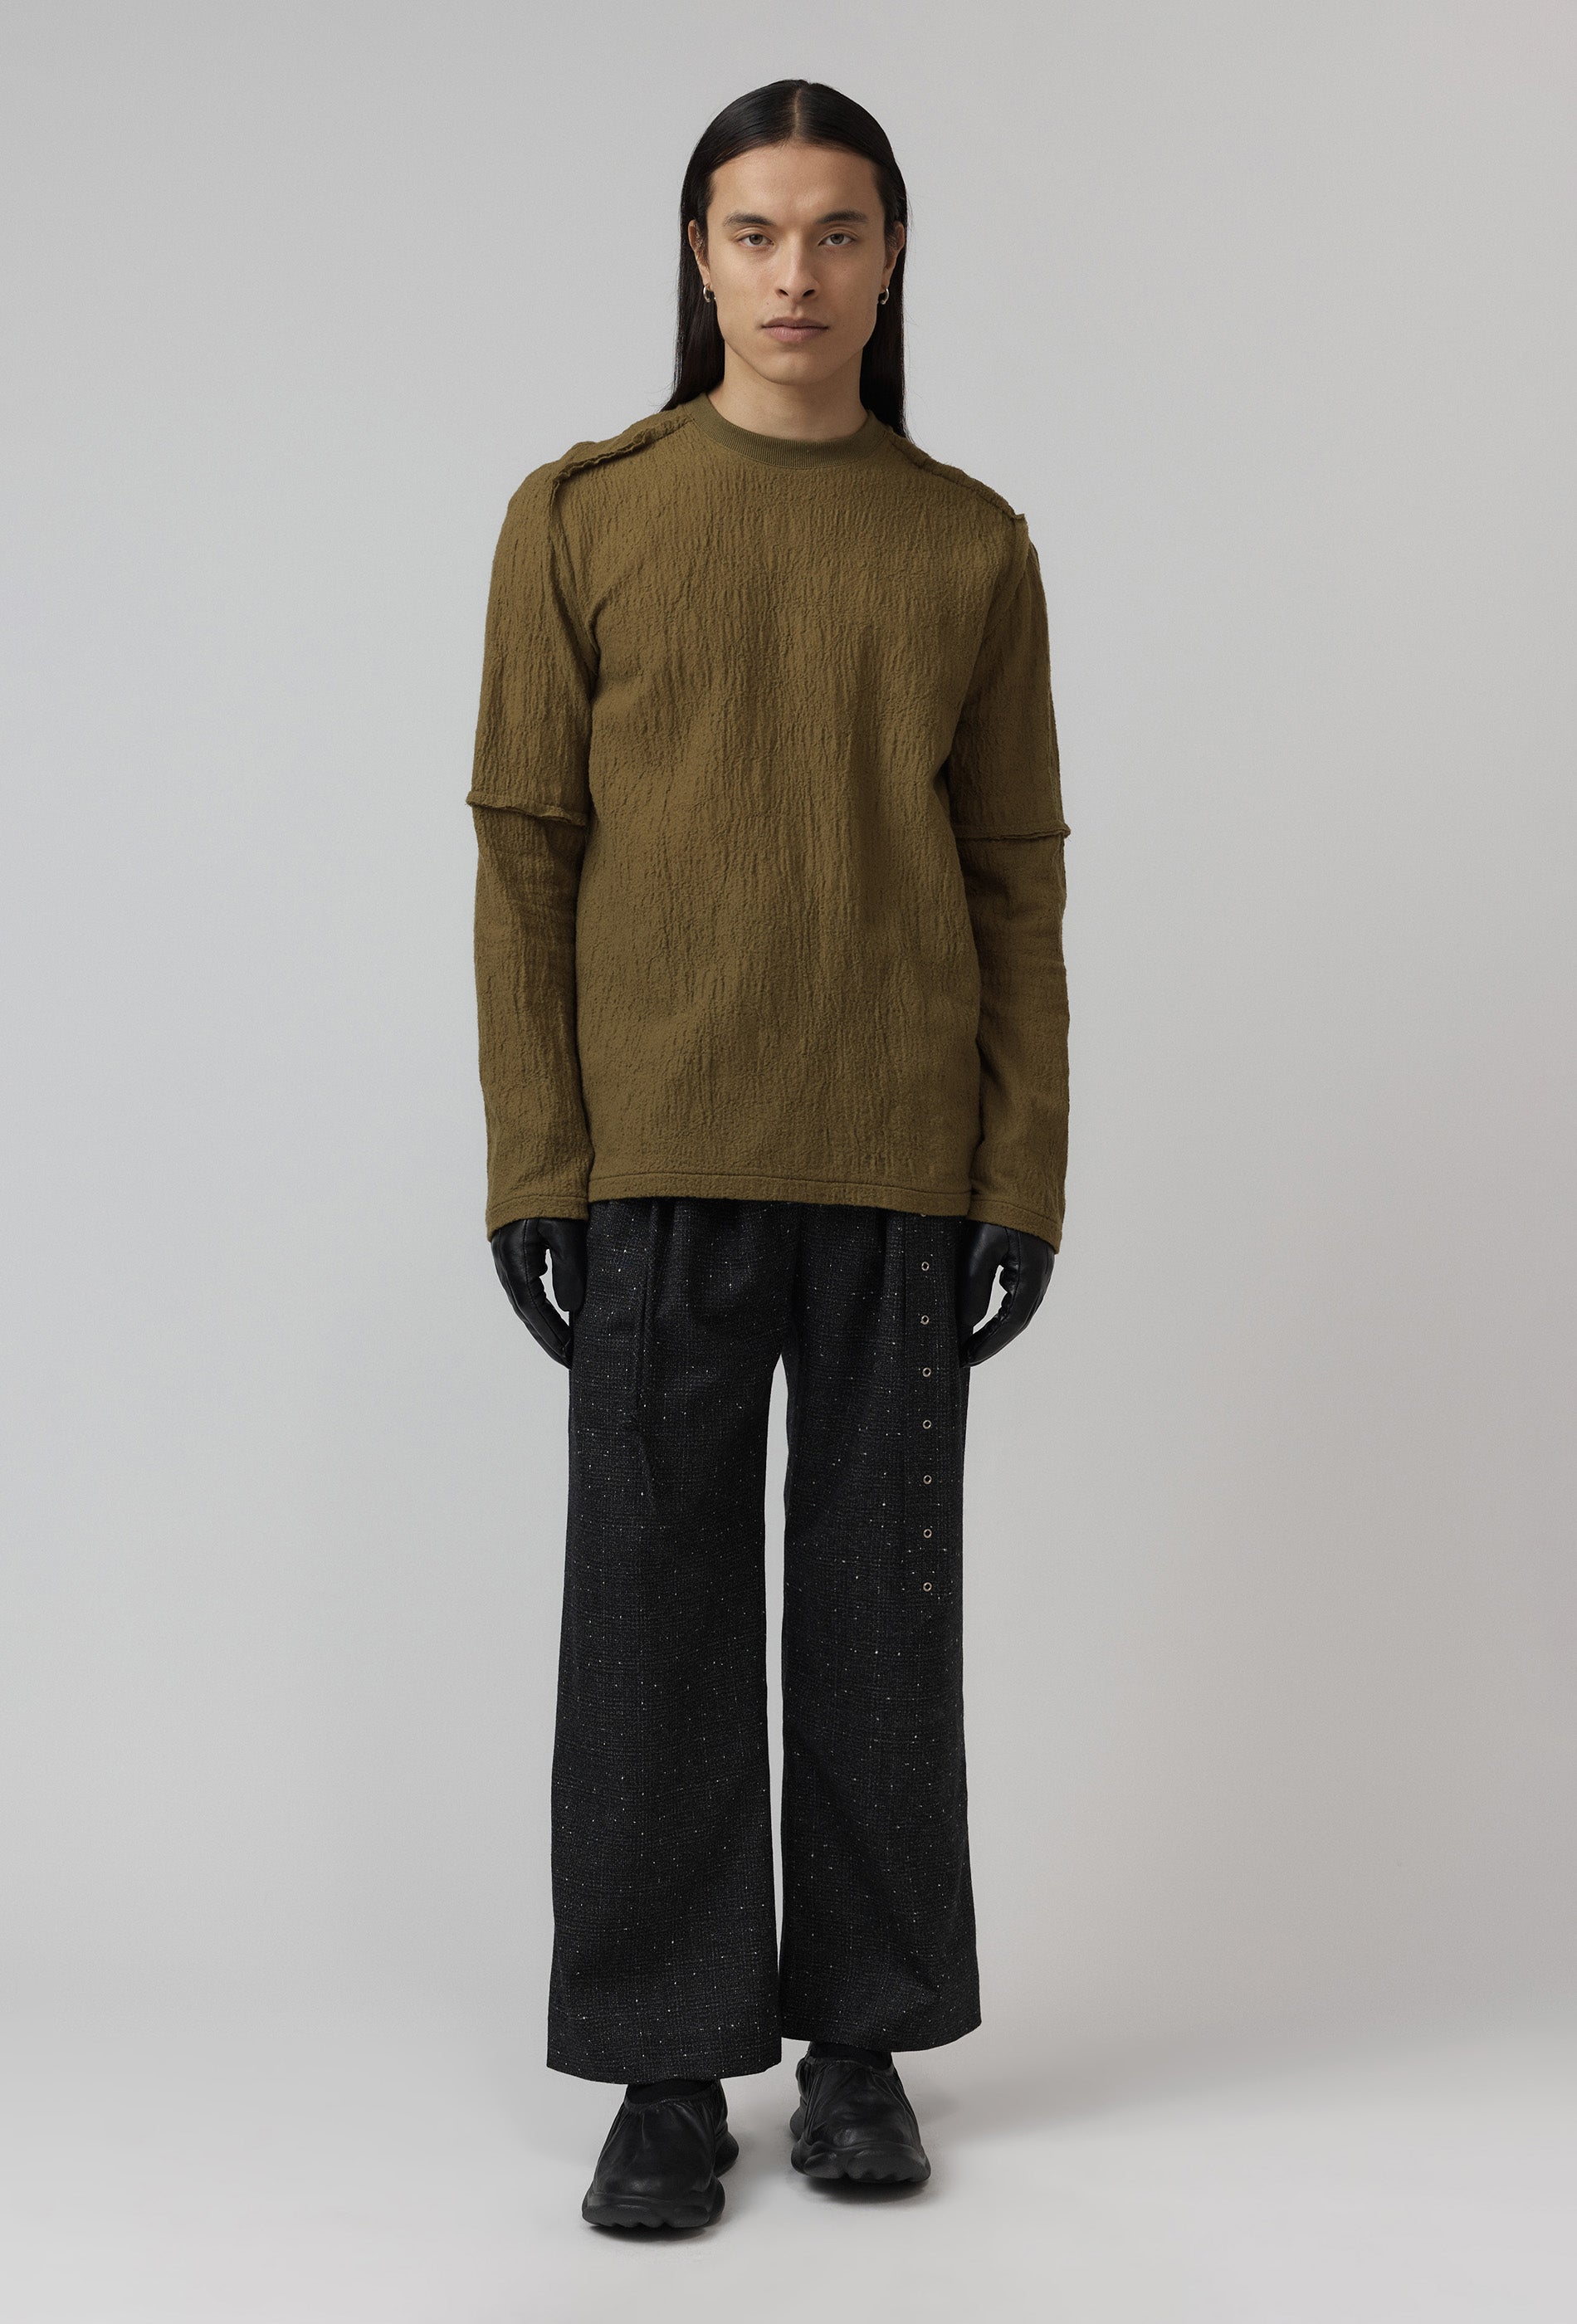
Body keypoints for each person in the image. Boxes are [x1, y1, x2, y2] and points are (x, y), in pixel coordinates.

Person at [468, 77, 1069, 2233]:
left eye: (835, 231)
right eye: (753, 231)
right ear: (698, 256)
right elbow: (524, 855)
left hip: (900, 1152)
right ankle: (662, 2062)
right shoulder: (581, 517)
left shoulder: (967, 543)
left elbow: (1015, 871)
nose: (794, 273)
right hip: (655, 1152)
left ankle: (861, 2046)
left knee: (883, 1624)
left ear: (891, 261)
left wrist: (1020, 1172)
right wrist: (537, 1164)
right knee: (650, 1622)